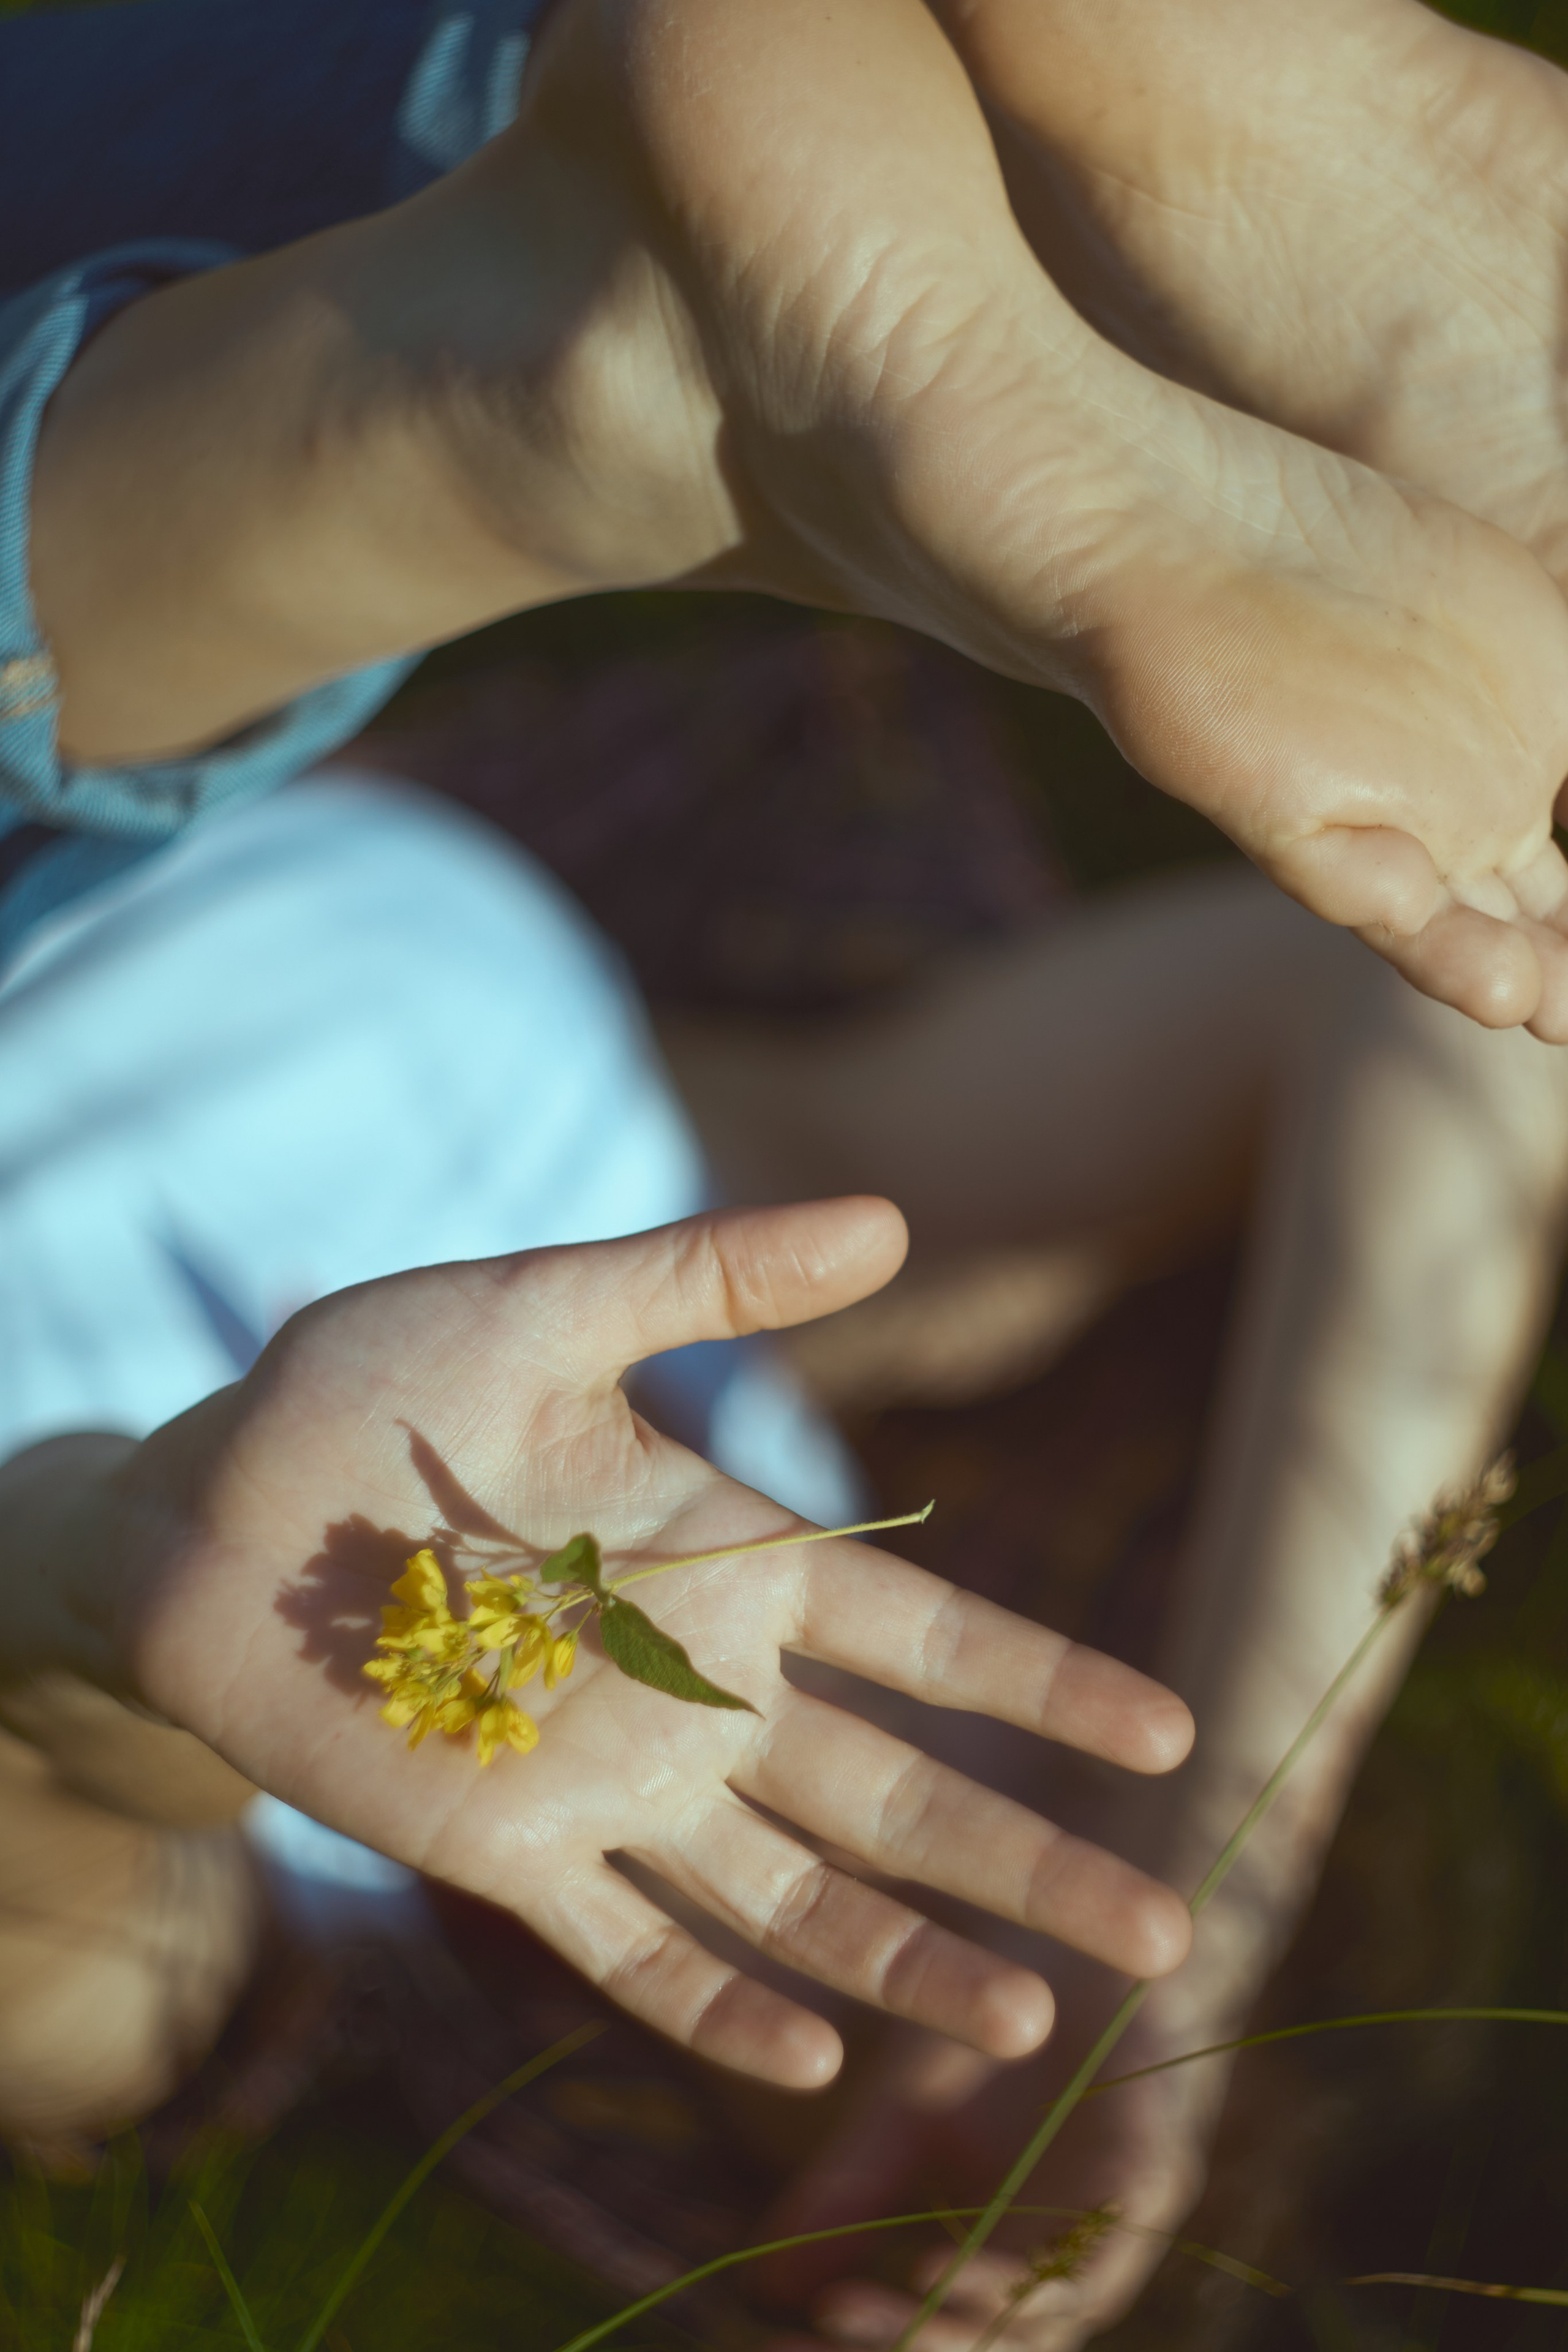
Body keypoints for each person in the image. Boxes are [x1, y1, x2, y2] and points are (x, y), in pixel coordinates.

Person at [2, 0, 1568, 2342]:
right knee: (375, 109)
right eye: (1053, 2049)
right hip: (150, 518)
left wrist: (139, 1575)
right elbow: (1421, 1018)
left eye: (971, 2156)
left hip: (137, 631)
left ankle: (555, 397)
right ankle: (598, 326)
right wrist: (1206, 1876)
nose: (1005, 2014)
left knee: (440, 206)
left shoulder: (272, 1905)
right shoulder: (800, 1306)